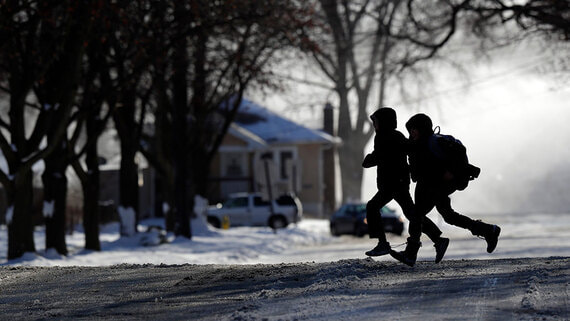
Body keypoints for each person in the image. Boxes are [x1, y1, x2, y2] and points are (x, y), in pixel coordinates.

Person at [391, 113, 501, 266]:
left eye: (414, 130)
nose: (412, 133)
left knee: (416, 215)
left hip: (436, 185)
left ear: (421, 129)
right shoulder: (420, 145)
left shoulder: (432, 143)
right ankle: (488, 230)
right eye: (410, 131)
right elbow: (420, 170)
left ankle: (412, 252)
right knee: (448, 216)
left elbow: (443, 163)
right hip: (435, 186)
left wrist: (451, 172)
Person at [363, 107, 449, 263]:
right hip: (394, 182)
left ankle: (382, 243)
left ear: (384, 122)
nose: (374, 124)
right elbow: (384, 154)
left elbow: (385, 154)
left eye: (376, 121)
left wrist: (370, 159)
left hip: (395, 183)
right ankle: (438, 239)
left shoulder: (392, 136)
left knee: (373, 206)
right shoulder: (387, 136)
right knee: (412, 214)